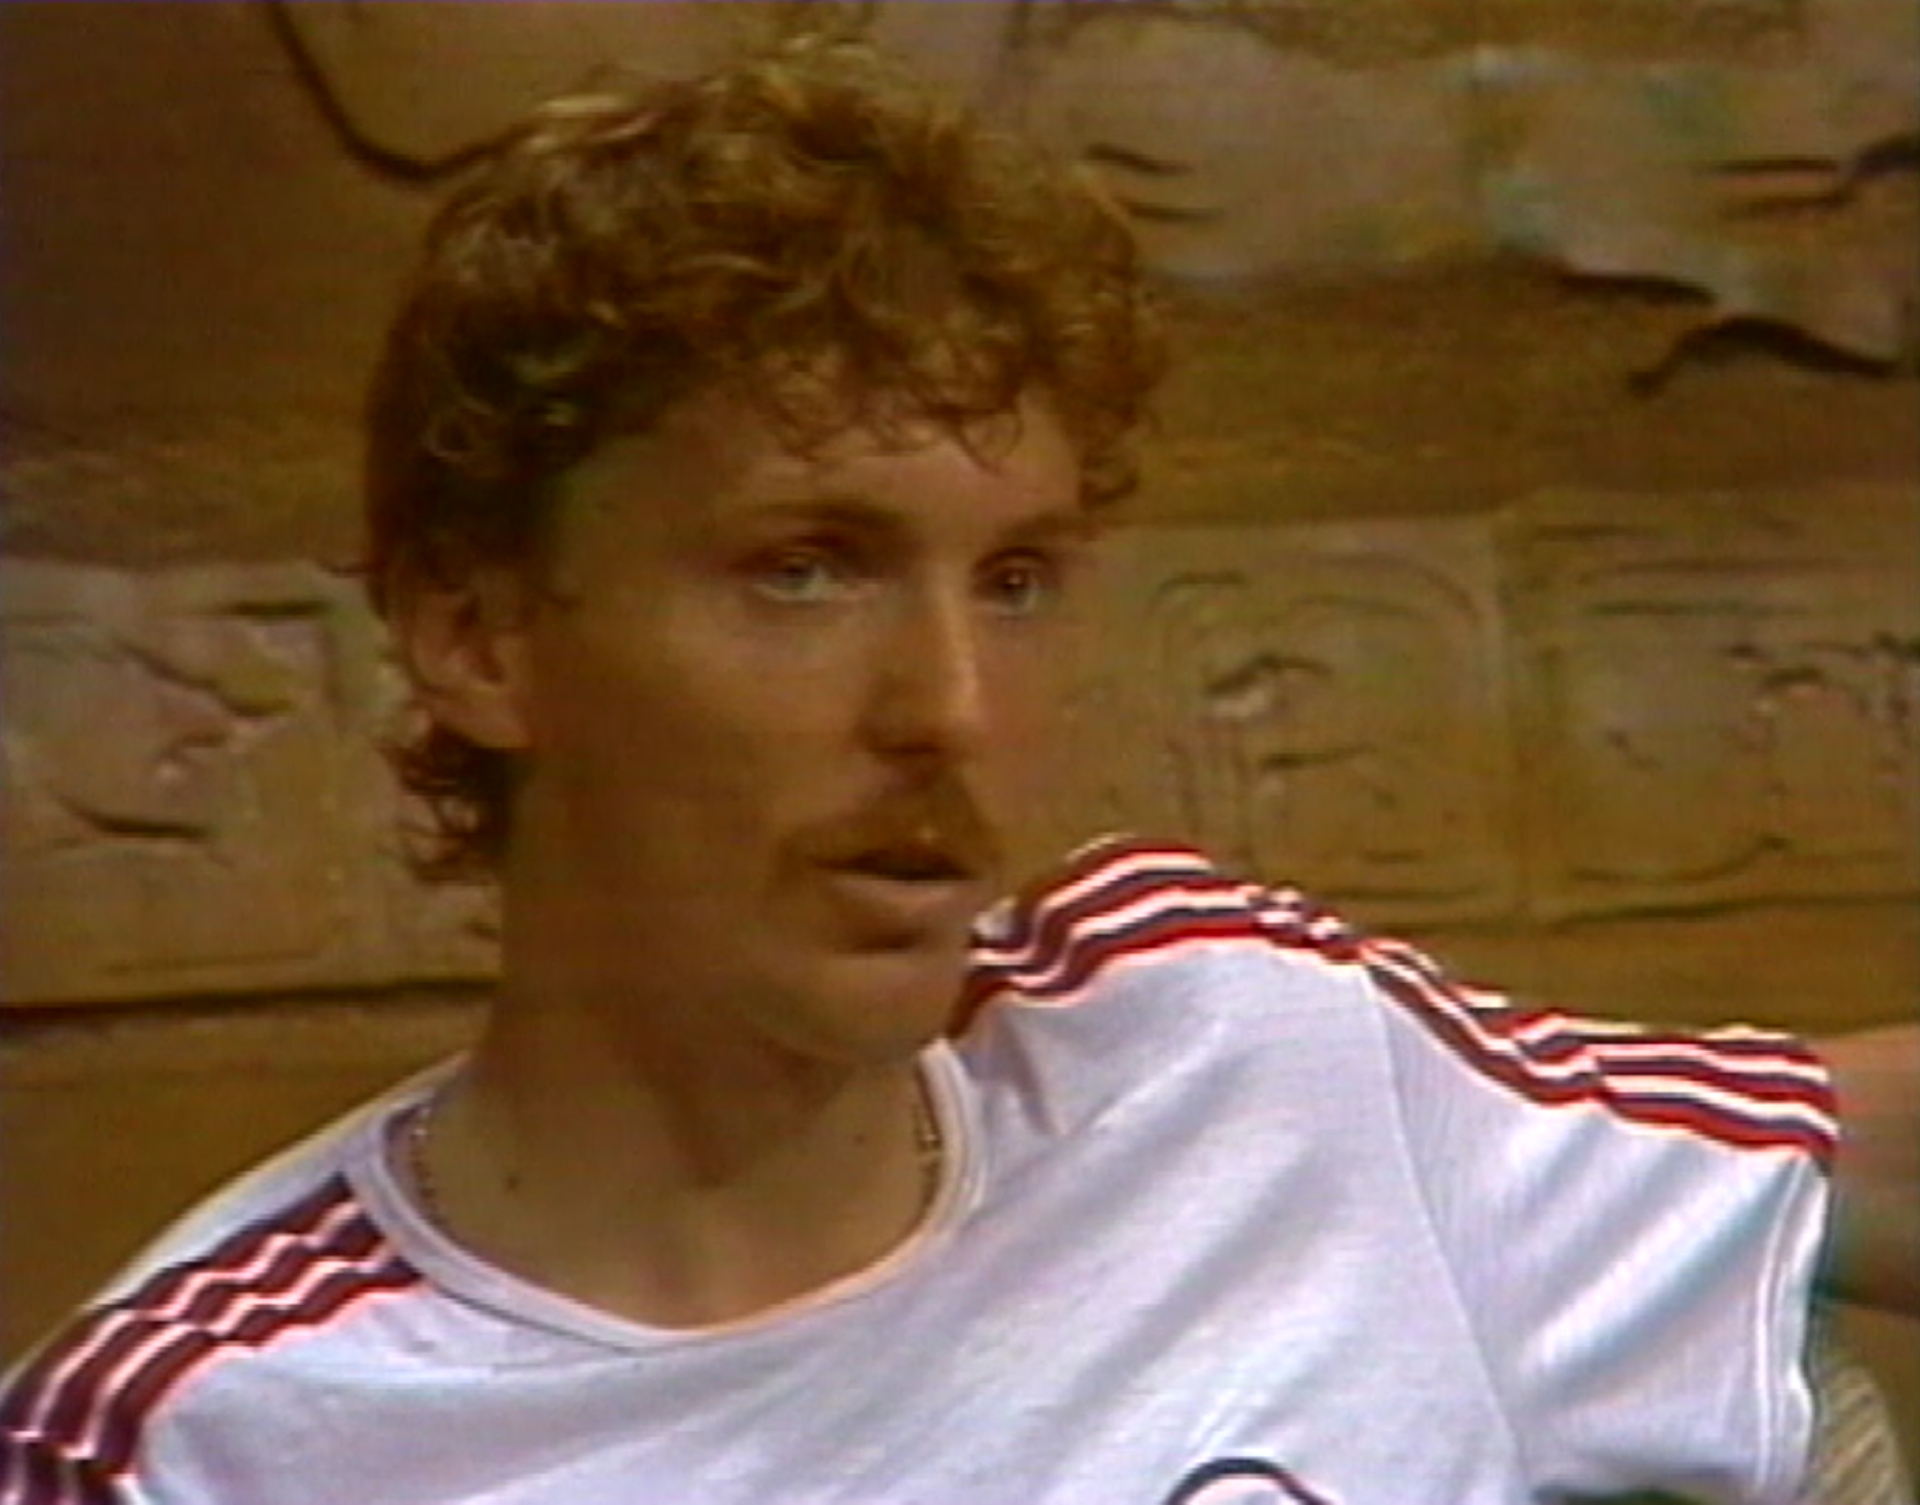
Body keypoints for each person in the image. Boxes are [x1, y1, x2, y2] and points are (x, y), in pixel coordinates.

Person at [2, 36, 1914, 1505]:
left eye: (1016, 580)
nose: (951, 706)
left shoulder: (1236, 1050)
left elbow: (1849, 1155)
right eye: (805, 568)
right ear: (480, 633)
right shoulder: (200, 1440)